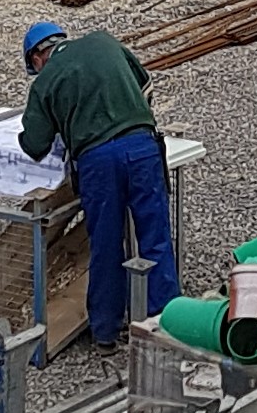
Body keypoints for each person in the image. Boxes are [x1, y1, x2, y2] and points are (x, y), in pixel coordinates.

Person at [19, 21, 174, 348]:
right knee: (156, 238)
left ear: (37, 58)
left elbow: (34, 145)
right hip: (143, 147)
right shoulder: (104, 42)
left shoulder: (45, 81)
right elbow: (145, 84)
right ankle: (170, 327)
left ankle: (106, 331)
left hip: (98, 162)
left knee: (105, 245)